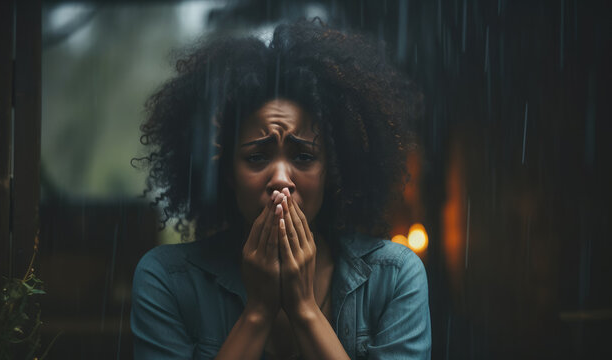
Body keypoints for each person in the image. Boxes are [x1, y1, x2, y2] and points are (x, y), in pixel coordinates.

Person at [131, 20, 430, 360]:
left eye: (303, 156)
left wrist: (304, 310)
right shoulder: (166, 280)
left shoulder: (394, 277)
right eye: (257, 157)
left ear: (331, 171)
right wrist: (257, 313)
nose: (281, 179)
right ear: (228, 172)